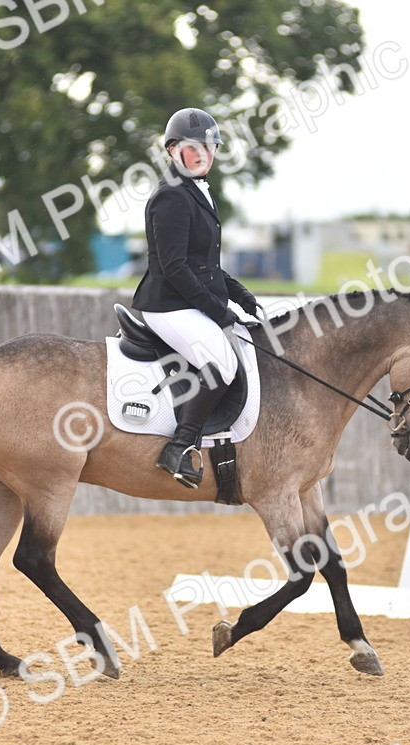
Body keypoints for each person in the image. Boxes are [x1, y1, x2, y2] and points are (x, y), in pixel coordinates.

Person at [131, 107, 263, 489]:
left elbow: (203, 263)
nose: (204, 153)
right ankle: (178, 447)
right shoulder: (171, 197)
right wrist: (218, 311)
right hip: (167, 305)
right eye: (194, 147)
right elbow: (174, 268)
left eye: (210, 146)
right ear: (173, 150)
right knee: (222, 362)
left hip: (186, 300)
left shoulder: (195, 191)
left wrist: (238, 293)